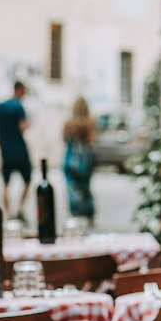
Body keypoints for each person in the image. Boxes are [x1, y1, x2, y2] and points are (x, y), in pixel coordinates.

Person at [0, 80, 31, 217]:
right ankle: (20, 209)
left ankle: (8, 213)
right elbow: (22, 127)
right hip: (20, 150)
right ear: (20, 90)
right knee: (27, 180)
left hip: (6, 150)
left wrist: (1, 144)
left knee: (5, 183)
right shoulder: (19, 107)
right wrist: (29, 123)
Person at [63, 95, 97, 224]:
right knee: (86, 187)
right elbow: (92, 141)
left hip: (70, 158)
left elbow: (64, 139)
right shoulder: (90, 122)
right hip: (84, 160)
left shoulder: (68, 123)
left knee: (71, 187)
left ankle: (75, 214)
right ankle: (90, 215)